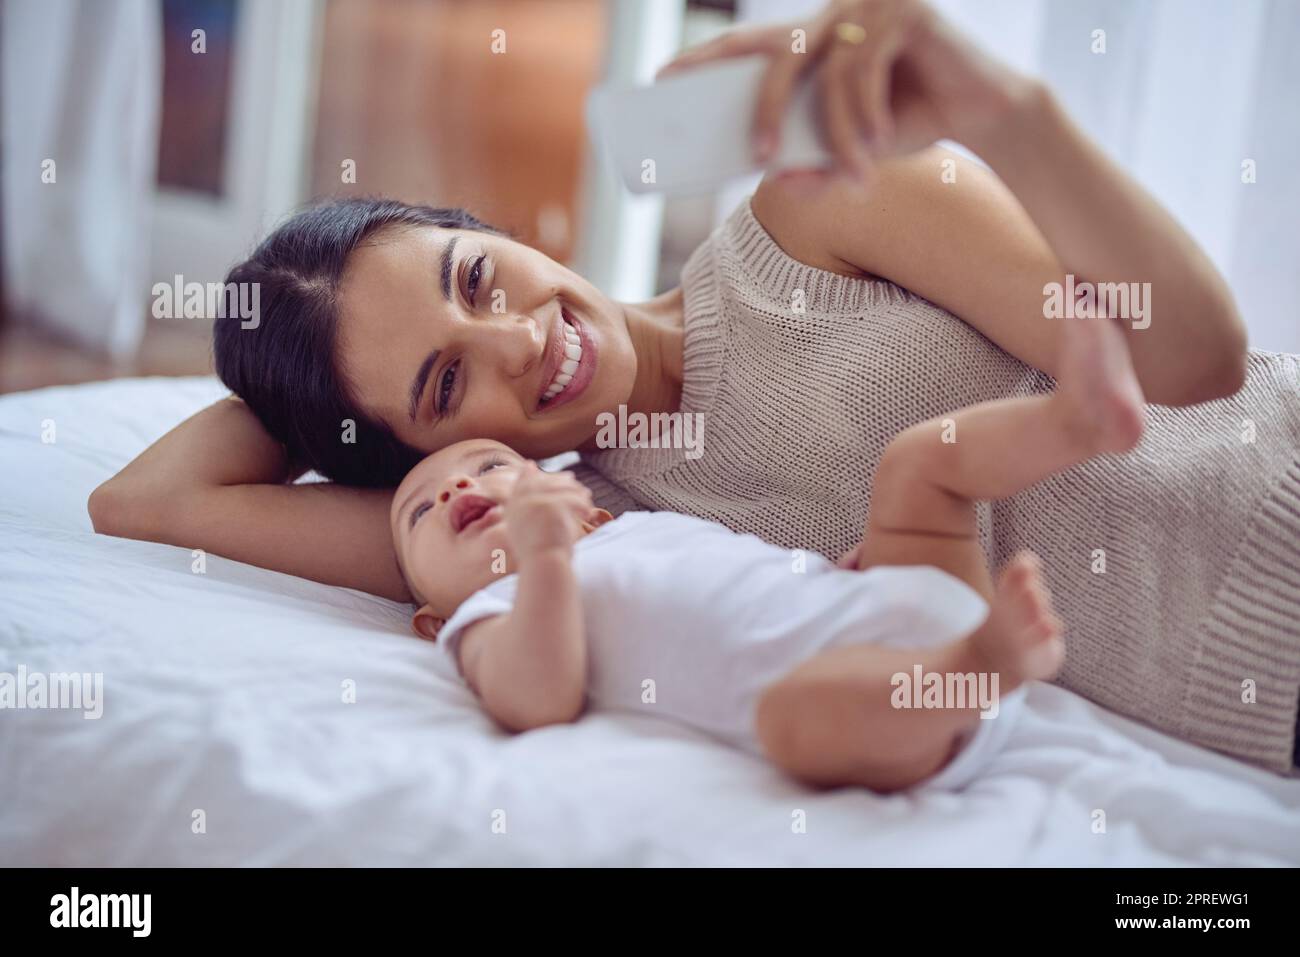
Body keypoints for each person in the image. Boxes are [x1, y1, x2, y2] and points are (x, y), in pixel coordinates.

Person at [90, 0, 1300, 772]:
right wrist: (303, 369)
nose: (518, 340)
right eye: (449, 383)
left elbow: (1192, 361)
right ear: (425, 457)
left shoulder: (806, 212)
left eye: (476, 274)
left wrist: (1001, 111)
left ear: (496, 227)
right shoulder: (583, 526)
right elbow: (144, 504)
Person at [393, 312, 1143, 792]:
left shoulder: (623, 525)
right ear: (430, 617)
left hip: (878, 600)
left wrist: (837, 581)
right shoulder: (487, 615)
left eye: (490, 466)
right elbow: (536, 699)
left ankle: (1073, 422)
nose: (459, 485)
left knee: (917, 466)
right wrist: (544, 561)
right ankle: (983, 664)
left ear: (583, 508)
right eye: (422, 510)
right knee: (791, 721)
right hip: (878, 700)